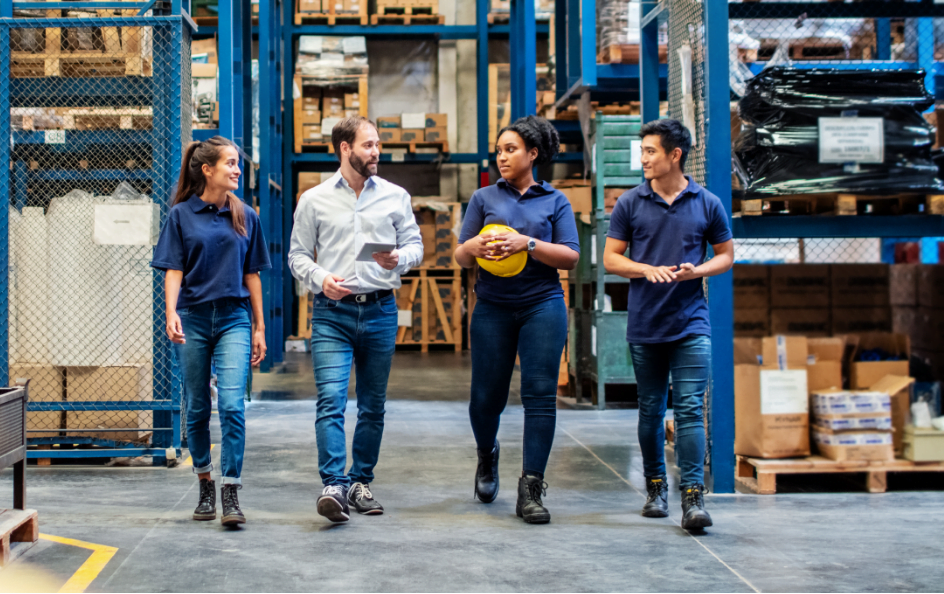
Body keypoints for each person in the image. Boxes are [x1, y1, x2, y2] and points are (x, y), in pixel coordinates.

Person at [288, 116, 424, 523]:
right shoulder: (314, 200)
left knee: (372, 405)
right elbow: (297, 255)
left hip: (382, 309)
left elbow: (416, 245)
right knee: (331, 399)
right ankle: (333, 484)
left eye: (377, 144)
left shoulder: (396, 196)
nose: (376, 152)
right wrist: (320, 278)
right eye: (368, 145)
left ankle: (361, 482)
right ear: (344, 148)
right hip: (332, 313)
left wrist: (400, 257)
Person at [603, 119, 734, 531]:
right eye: (642, 151)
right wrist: (644, 269)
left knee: (691, 409)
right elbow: (611, 259)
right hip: (646, 323)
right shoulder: (630, 203)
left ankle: (693, 496)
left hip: (691, 323)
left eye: (650, 151)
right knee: (651, 409)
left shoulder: (707, 202)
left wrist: (699, 271)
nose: (643, 158)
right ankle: (655, 486)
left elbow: (726, 255)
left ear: (674, 155)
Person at [454, 116, 580, 525]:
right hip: (492, 306)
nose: (502, 156)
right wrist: (472, 245)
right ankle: (487, 454)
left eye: (511, 150)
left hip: (542, 304)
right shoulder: (483, 197)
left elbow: (571, 256)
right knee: (485, 399)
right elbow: (460, 255)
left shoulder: (555, 201)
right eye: (500, 150)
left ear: (533, 154)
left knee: (539, 395)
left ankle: (531, 488)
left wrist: (526, 242)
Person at [152, 136, 271, 527]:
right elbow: (174, 270)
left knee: (233, 405)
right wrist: (170, 312)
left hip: (235, 317)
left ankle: (231, 490)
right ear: (207, 170)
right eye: (231, 163)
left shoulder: (246, 215)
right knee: (198, 405)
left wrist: (259, 326)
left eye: (237, 164)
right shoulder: (181, 216)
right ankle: (204, 481)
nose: (237, 170)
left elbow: (251, 275)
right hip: (194, 319)